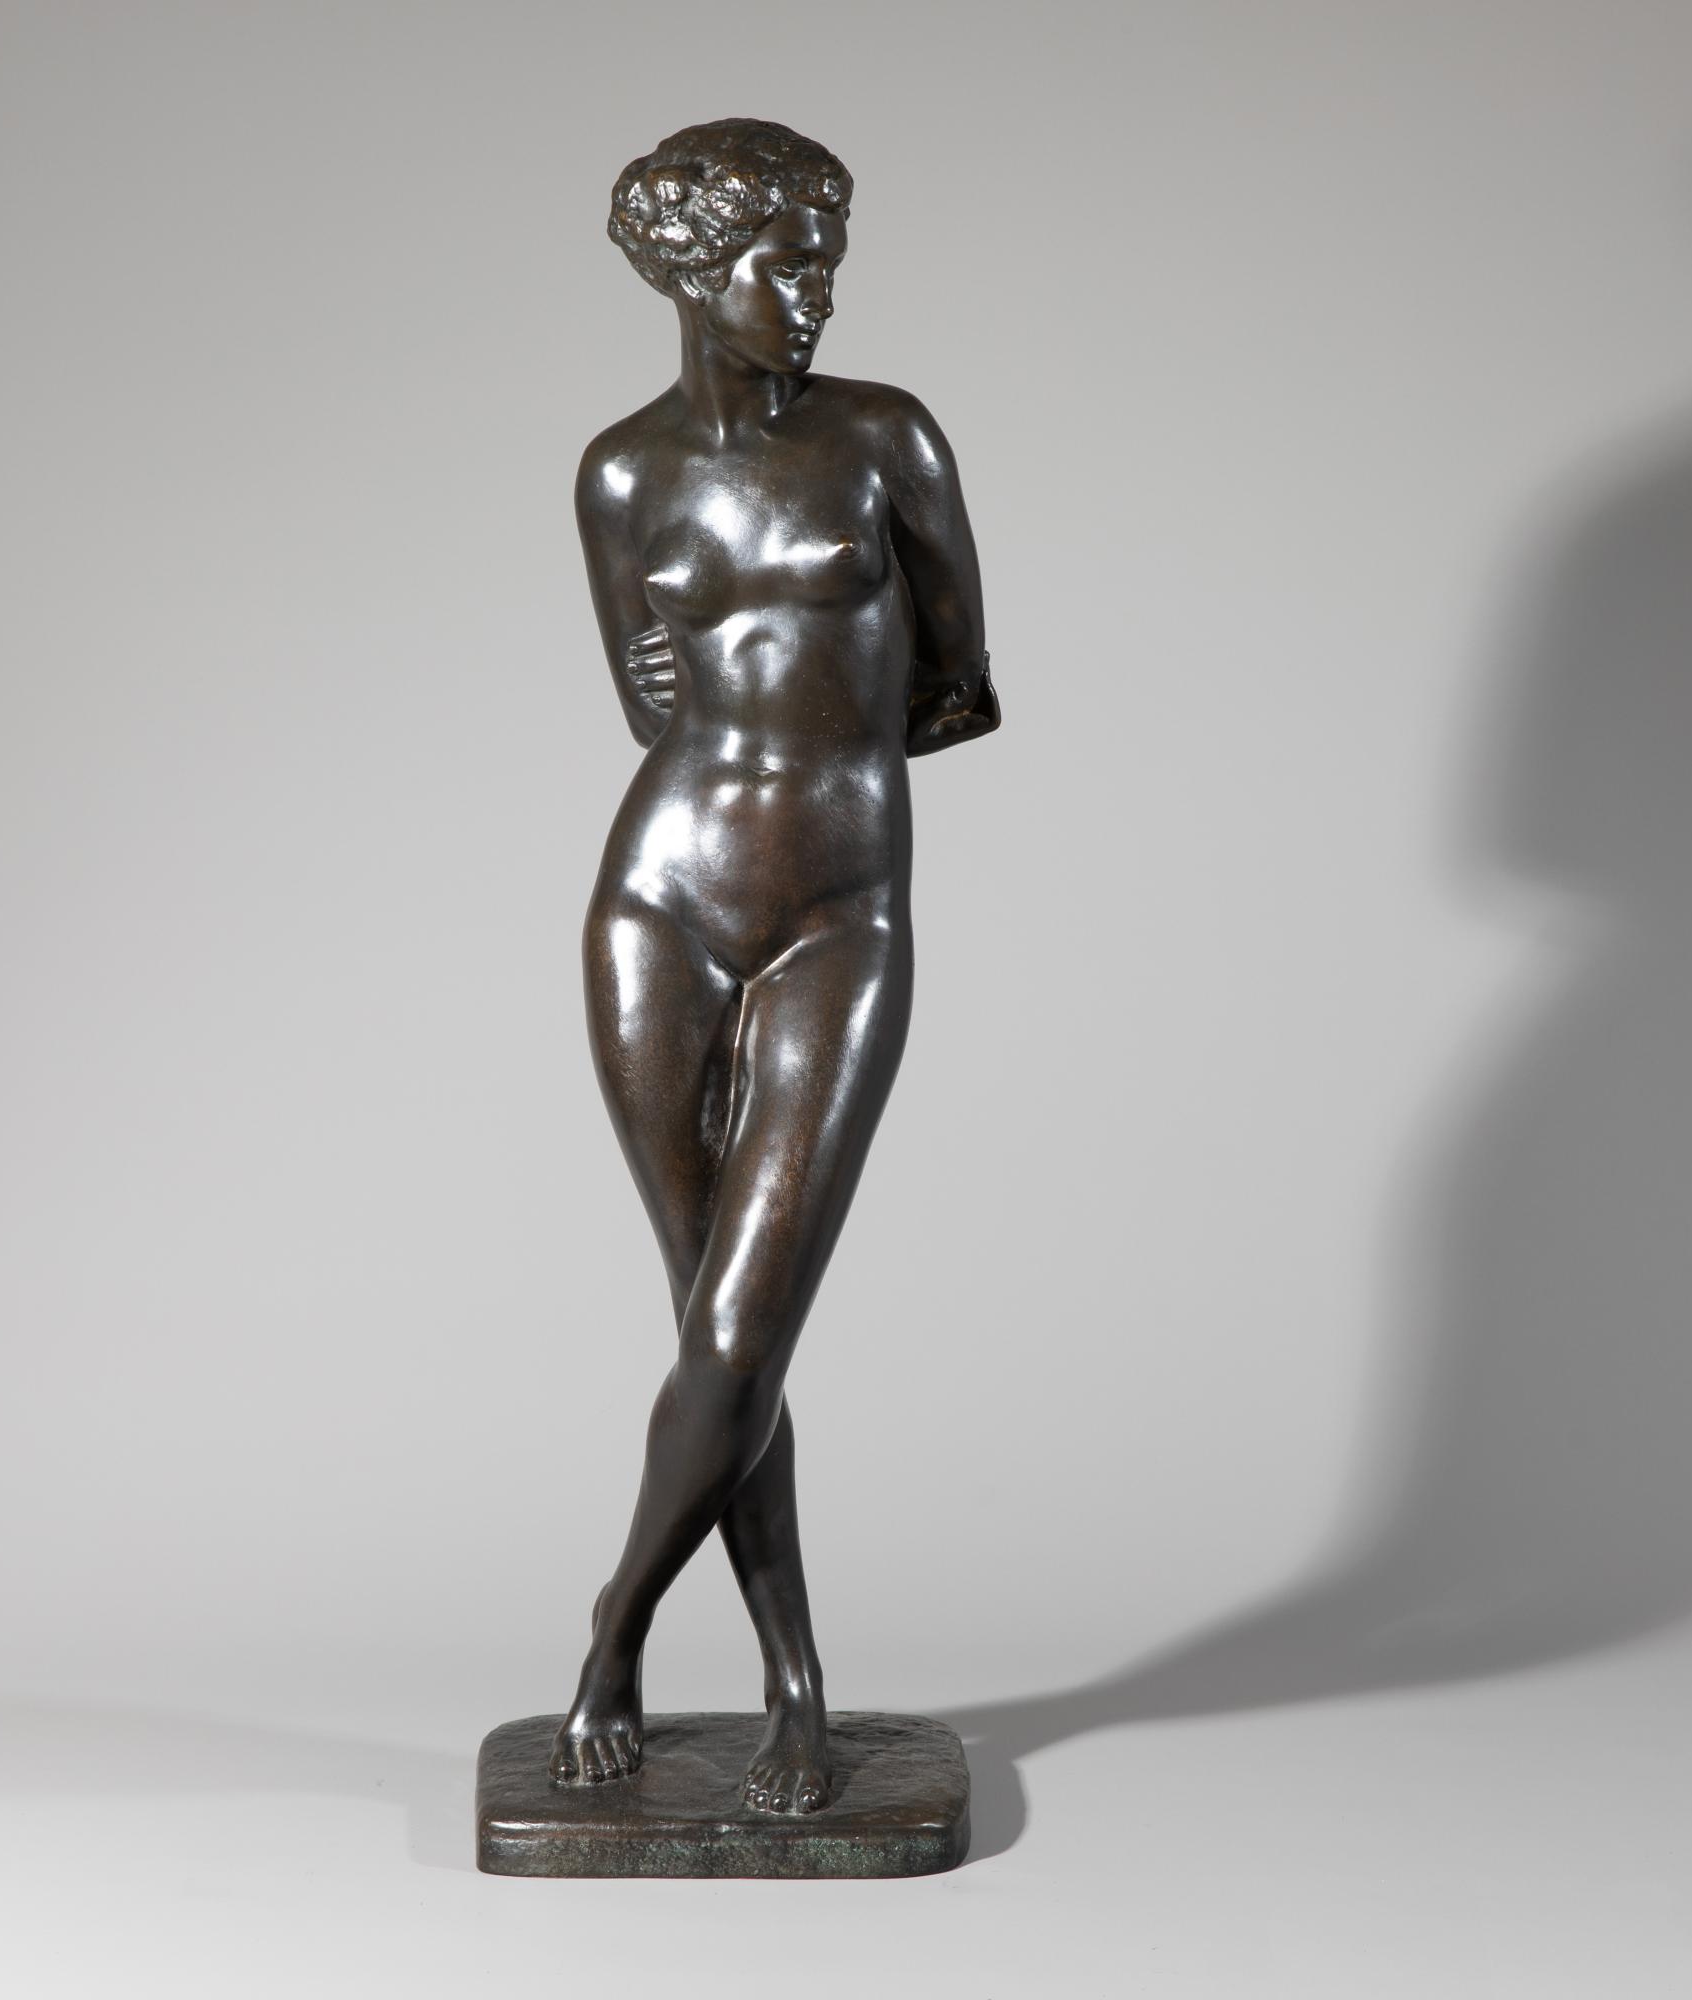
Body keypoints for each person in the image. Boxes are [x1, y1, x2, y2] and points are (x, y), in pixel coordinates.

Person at [550, 118, 1000, 1815]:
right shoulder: (619, 474)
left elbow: (957, 683)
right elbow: (646, 701)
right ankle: (794, 1682)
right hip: (656, 905)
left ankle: (613, 1627)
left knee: (741, 1326)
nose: (812, 295)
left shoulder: (887, 440)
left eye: (827, 264)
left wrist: (827, 755)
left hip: (838, 913)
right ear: (690, 272)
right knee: (714, 1327)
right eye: (781, 264)